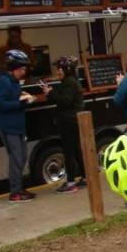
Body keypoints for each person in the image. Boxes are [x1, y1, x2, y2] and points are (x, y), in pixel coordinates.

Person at [0, 50, 36, 203]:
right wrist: (20, 103)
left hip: (17, 126)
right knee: (16, 159)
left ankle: (19, 188)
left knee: (22, 157)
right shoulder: (4, 81)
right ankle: (15, 192)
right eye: (22, 69)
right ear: (14, 68)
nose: (24, 72)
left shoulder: (13, 82)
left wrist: (23, 98)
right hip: (8, 127)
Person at [41, 56, 86, 193]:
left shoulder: (69, 83)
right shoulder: (70, 81)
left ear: (67, 69)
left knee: (69, 151)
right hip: (73, 120)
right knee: (77, 149)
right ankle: (85, 177)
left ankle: (71, 182)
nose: (57, 72)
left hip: (68, 121)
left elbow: (65, 101)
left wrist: (50, 93)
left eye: (59, 69)